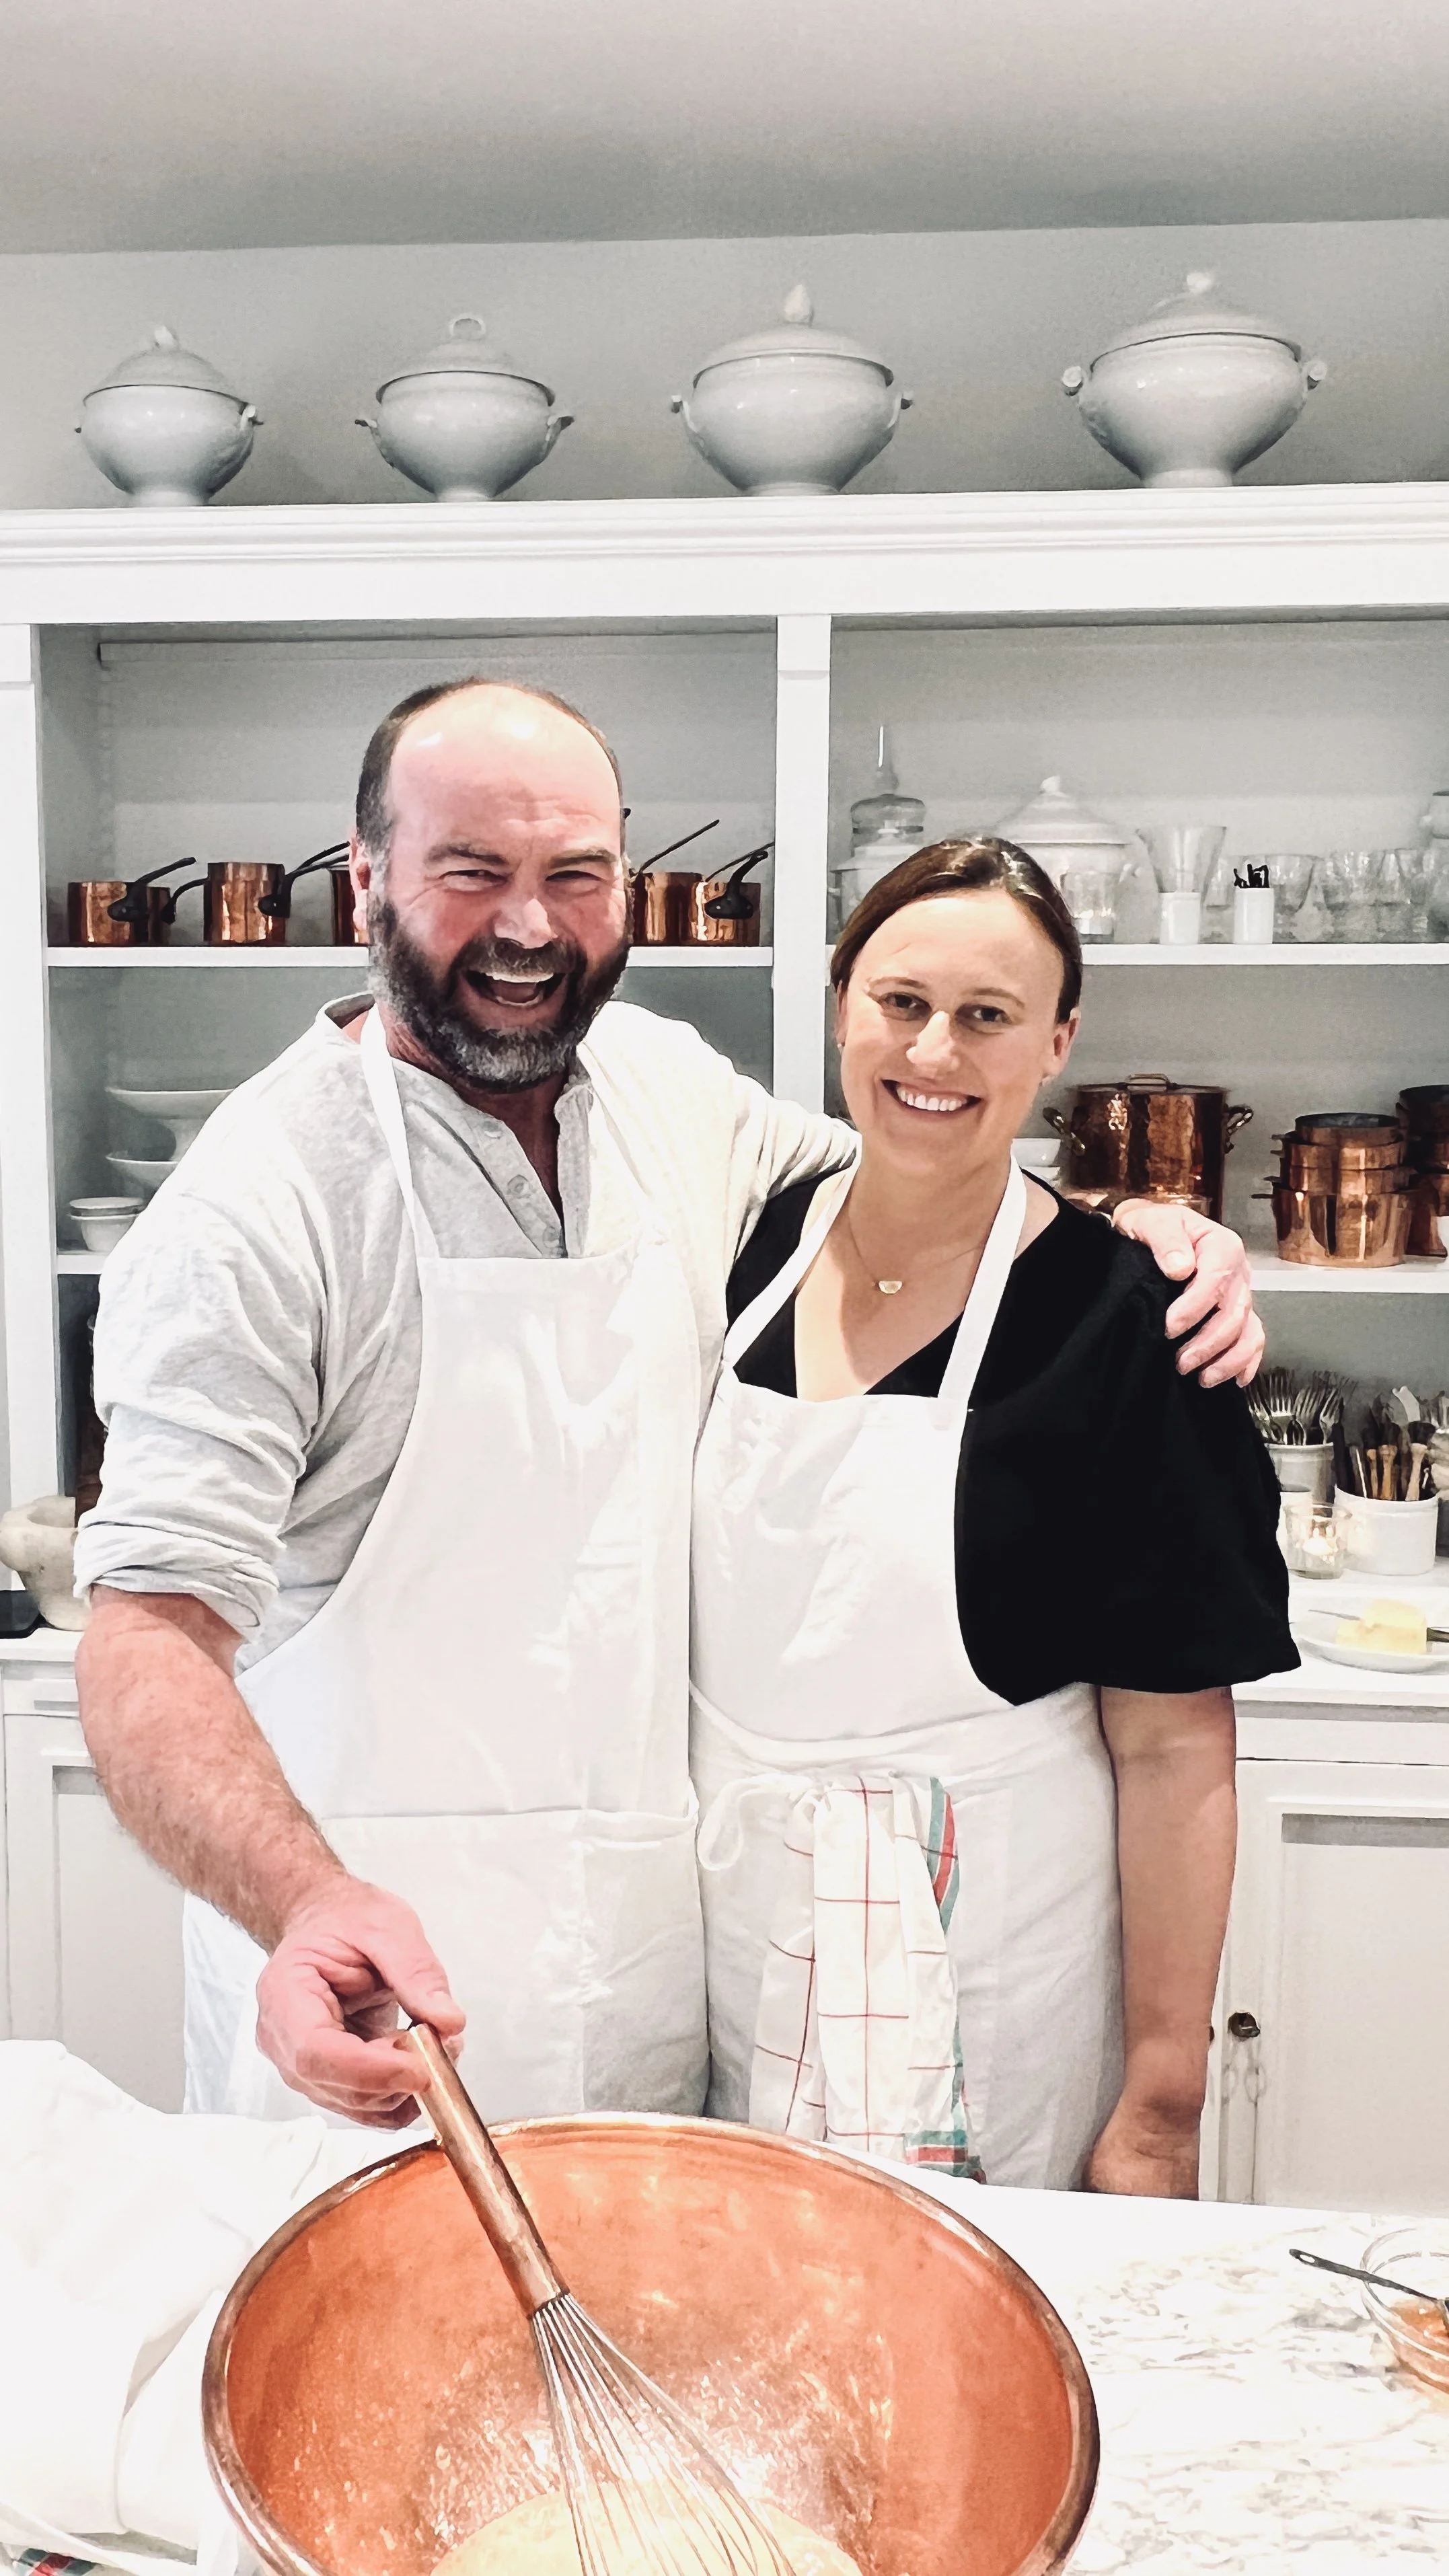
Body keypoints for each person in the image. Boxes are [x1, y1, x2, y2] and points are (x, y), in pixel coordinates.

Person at [73, 683, 1265, 2131]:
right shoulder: (256, 1208)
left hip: (651, 1993)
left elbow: (917, 1168)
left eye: (574, 873)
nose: (529, 925)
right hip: (373, 2000)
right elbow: (147, 1642)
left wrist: (1131, 1229)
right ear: (366, 874)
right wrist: (301, 1897)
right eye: (471, 873)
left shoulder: (660, 1088)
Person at [691, 839, 1296, 2197]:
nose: (935, 1050)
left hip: (986, 1983)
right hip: (743, 1951)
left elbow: (1174, 1748)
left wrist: (1162, 2100)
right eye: (901, 1001)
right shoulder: (744, 1244)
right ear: (842, 1000)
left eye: (987, 1016)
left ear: (1057, 1042)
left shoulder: (1125, 1320)